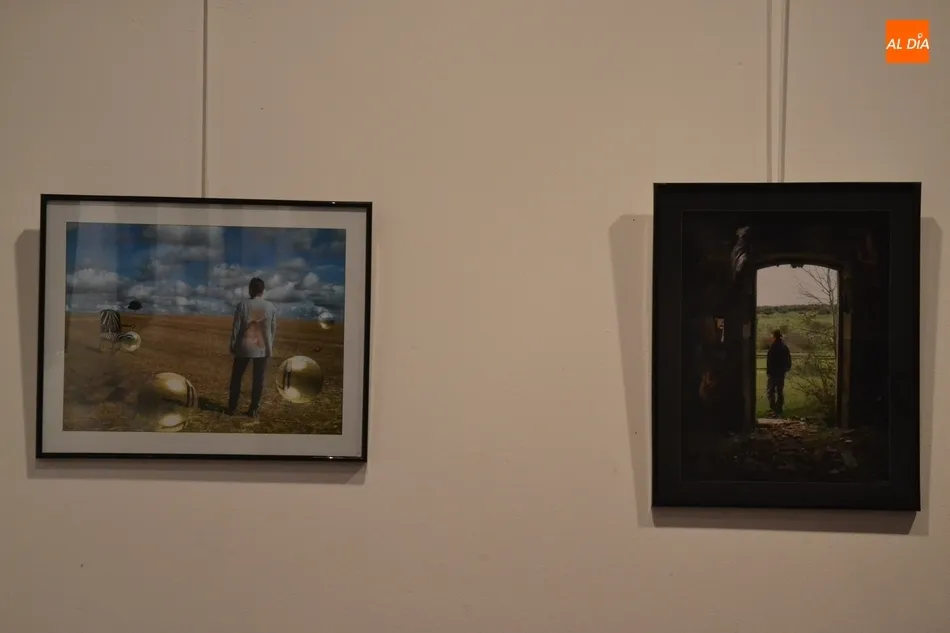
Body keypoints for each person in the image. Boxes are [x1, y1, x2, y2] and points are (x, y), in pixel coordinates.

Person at [227, 277, 278, 418]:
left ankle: (232, 407)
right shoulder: (270, 307)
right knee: (258, 380)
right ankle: (254, 409)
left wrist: (233, 344)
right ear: (262, 290)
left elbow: (236, 327)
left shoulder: (242, 305)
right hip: (262, 348)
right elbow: (273, 329)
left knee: (236, 378)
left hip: (244, 347)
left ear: (250, 289)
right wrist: (269, 346)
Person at [766, 328, 792, 417]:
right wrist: (787, 367)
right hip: (781, 371)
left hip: (773, 372)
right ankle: (779, 408)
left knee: (770, 391)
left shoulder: (773, 347)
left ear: (774, 336)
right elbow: (788, 358)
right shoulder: (784, 346)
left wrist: (769, 371)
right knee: (780, 390)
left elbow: (770, 360)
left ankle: (773, 408)